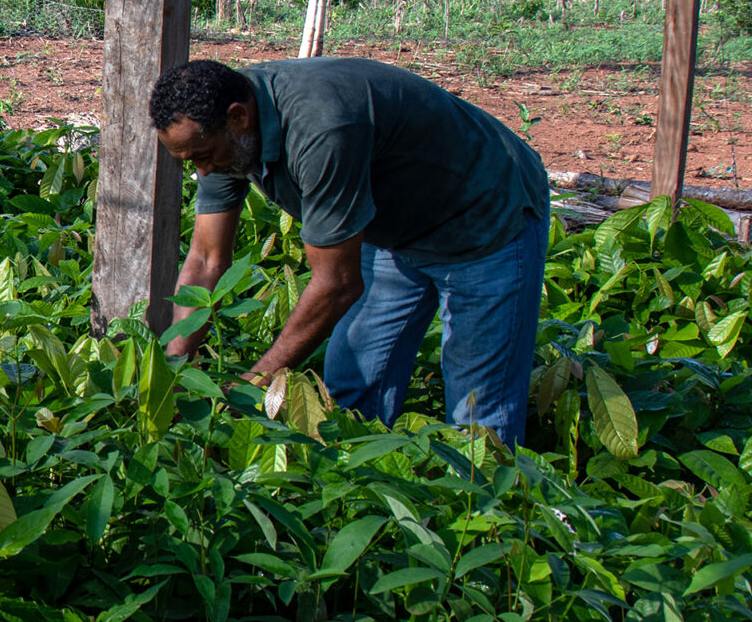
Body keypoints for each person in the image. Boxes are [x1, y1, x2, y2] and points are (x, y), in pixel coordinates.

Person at [151, 57, 551, 444]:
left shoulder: (321, 128)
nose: (201, 171)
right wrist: (175, 372)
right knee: (352, 385)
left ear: (238, 118)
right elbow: (205, 260)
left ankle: (485, 507)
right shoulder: (220, 141)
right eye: (189, 161)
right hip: (393, 230)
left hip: (484, 218)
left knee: (478, 413)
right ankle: (354, 497)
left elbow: (337, 283)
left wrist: (253, 382)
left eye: (201, 157)